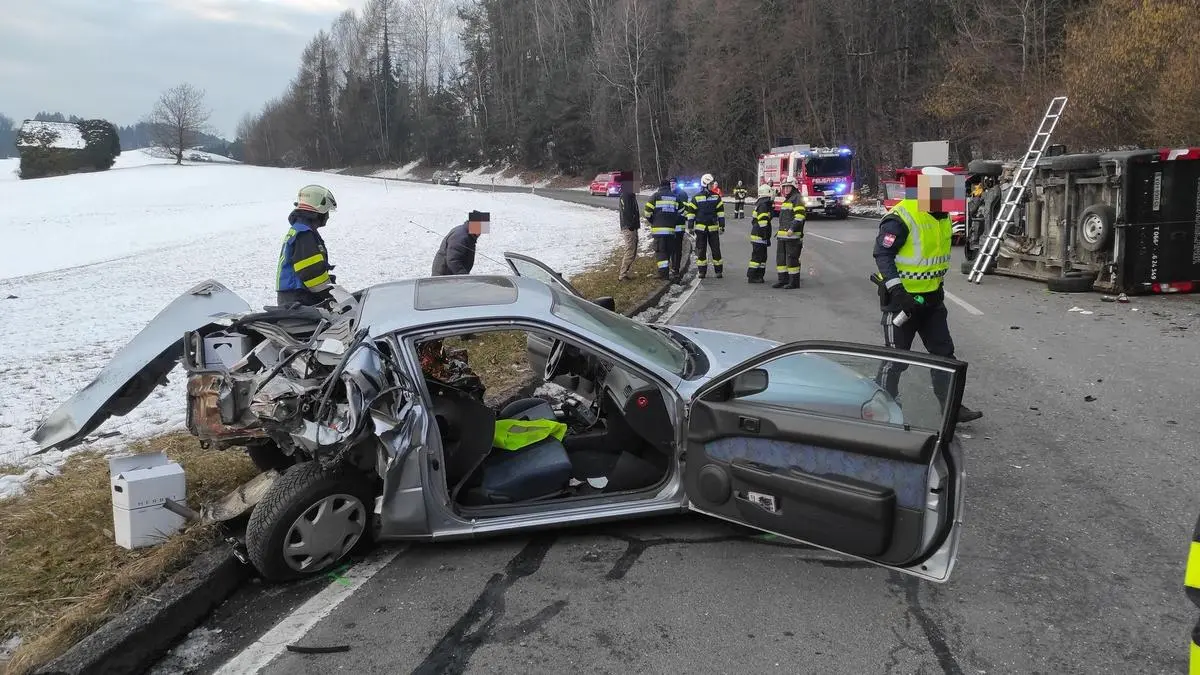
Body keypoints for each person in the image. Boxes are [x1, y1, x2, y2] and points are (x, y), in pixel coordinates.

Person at [872, 166, 983, 424]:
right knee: (895, 359)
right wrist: (898, 291)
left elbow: (932, 259)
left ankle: (951, 409)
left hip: (932, 301)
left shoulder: (941, 216)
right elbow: (883, 254)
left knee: (944, 357)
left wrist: (937, 289)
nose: (952, 202)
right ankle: (881, 408)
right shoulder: (901, 217)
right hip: (902, 303)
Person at [276, 184, 338, 307]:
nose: (328, 216)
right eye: (327, 211)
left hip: (293, 299)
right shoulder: (304, 234)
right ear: (319, 211)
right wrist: (333, 295)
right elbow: (311, 273)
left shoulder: (299, 229)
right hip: (300, 300)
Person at [643, 179, 685, 280]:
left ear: (660, 186)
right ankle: (667, 271)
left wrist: (653, 221)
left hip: (659, 230)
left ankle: (663, 274)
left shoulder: (655, 196)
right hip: (671, 231)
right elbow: (683, 212)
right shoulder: (675, 197)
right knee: (668, 251)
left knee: (661, 252)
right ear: (669, 186)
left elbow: (647, 212)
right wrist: (674, 220)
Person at [685, 173, 726, 279]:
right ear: (705, 184)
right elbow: (691, 213)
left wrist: (722, 226)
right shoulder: (696, 197)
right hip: (701, 229)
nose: (712, 185)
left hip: (712, 228)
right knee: (701, 250)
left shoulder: (716, 197)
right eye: (710, 184)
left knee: (716, 250)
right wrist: (690, 226)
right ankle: (702, 272)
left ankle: (718, 271)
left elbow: (721, 213)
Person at [432, 211, 489, 276]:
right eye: (479, 229)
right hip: (444, 275)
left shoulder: (469, 235)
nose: (480, 233)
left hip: (452, 274)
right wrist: (464, 276)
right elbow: (453, 260)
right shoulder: (461, 236)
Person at [772, 177, 805, 289]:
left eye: (788, 187)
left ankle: (793, 282)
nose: (786, 189)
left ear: (794, 187)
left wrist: (792, 229)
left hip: (792, 236)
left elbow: (799, 216)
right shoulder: (788, 199)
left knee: (791, 259)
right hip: (783, 236)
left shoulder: (797, 198)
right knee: (781, 259)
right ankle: (782, 280)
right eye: (784, 187)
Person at [747, 183, 773, 283]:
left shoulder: (761, 204)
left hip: (759, 235)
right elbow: (763, 222)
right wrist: (765, 236)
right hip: (760, 236)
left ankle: (759, 275)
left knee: (762, 257)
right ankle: (752, 276)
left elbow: (754, 221)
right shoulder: (763, 205)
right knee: (757, 257)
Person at [617, 179, 640, 281]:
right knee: (630, 251)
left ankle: (624, 273)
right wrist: (631, 225)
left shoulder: (630, 195)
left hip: (631, 226)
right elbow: (627, 211)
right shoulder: (627, 195)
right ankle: (622, 275)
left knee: (632, 251)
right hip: (629, 227)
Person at [670, 177, 690, 283]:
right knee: (671, 249)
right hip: (670, 227)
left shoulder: (682, 194)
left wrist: (675, 217)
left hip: (679, 226)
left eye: (673, 183)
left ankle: (676, 269)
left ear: (677, 184)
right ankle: (673, 267)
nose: (672, 185)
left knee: (677, 249)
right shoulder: (669, 194)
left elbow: (685, 211)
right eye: (670, 183)